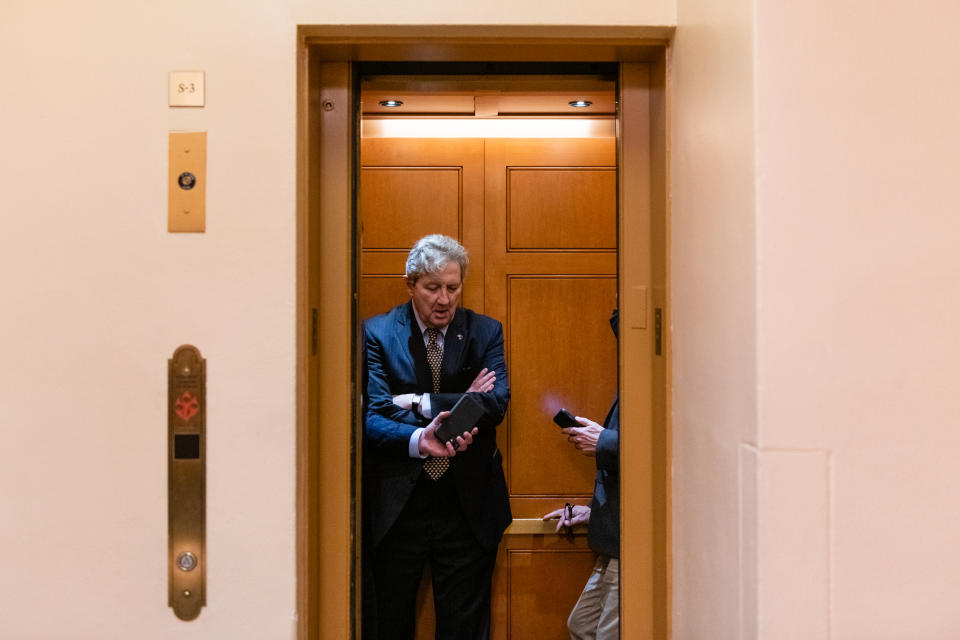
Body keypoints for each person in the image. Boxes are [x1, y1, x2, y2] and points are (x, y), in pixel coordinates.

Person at [362, 234, 512, 640]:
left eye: (453, 287)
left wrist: (415, 402)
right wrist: (420, 439)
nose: (444, 299)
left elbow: (495, 403)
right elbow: (372, 417)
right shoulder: (376, 333)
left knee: (465, 630)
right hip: (398, 509)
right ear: (410, 284)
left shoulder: (485, 332)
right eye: (432, 288)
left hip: (467, 509)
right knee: (388, 627)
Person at [543, 309, 620, 640]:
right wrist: (594, 512)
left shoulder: (659, 373)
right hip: (613, 534)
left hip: (630, 542)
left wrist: (603, 440)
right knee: (582, 626)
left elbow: (663, 447)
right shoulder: (635, 376)